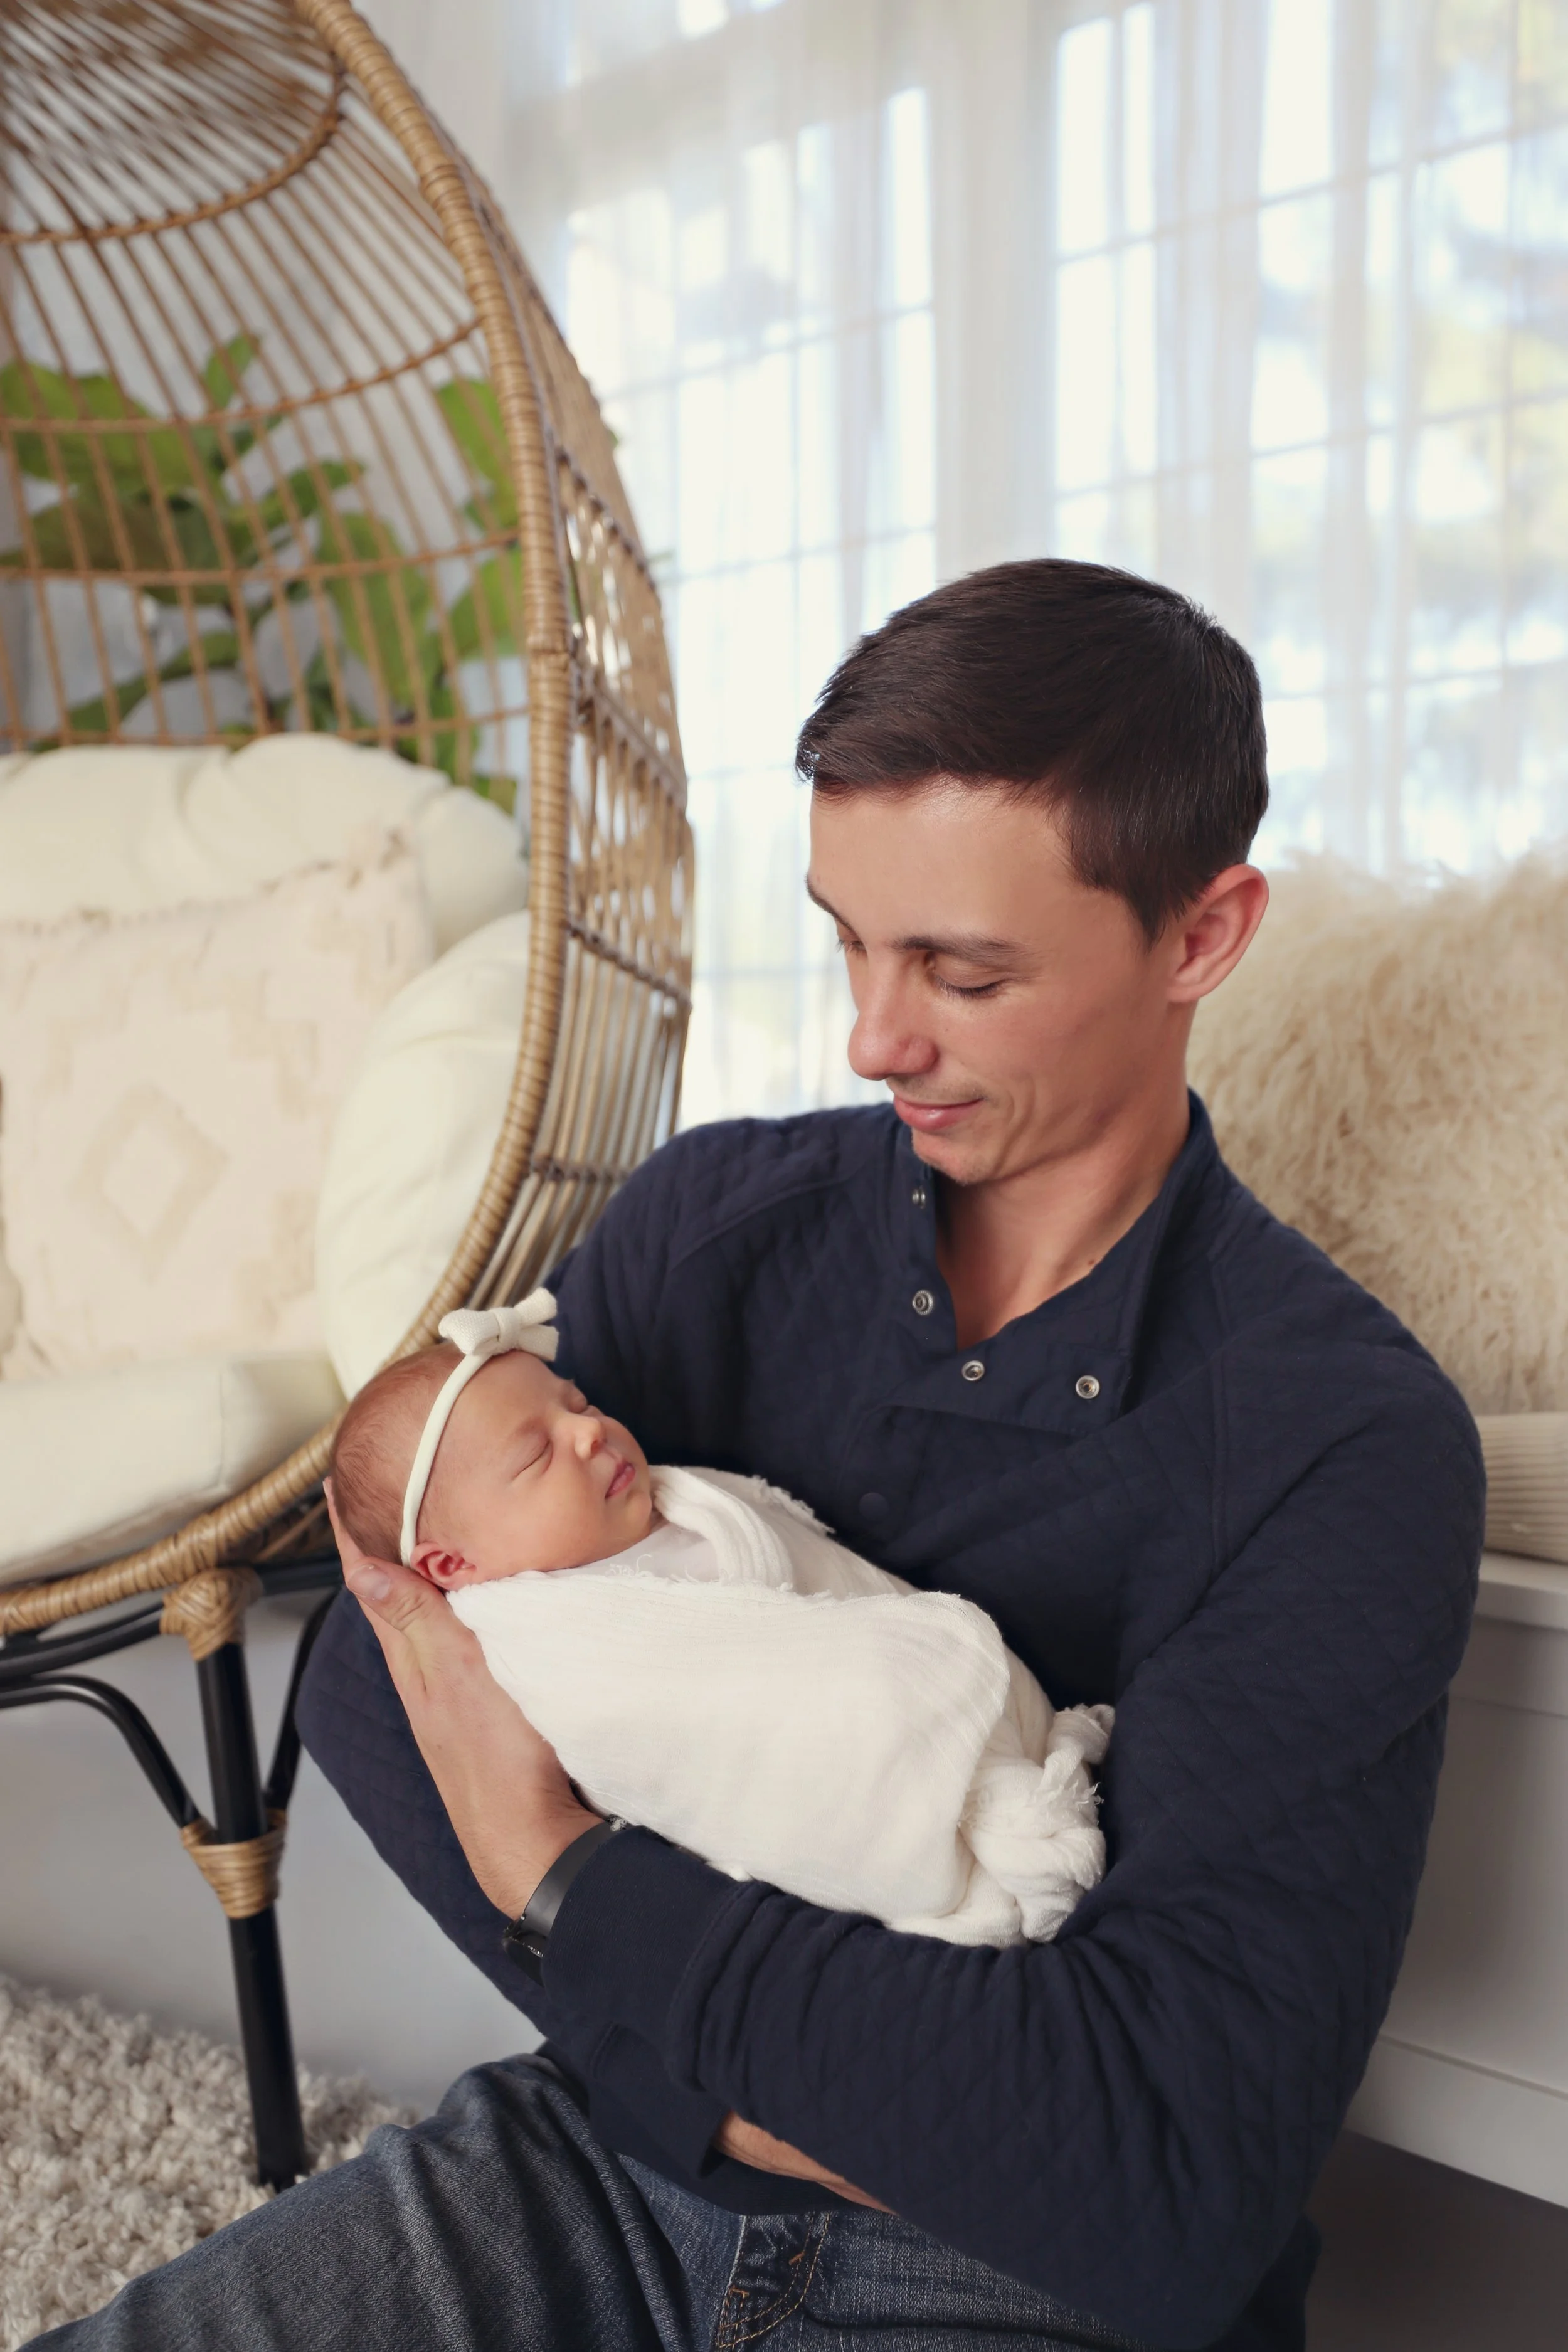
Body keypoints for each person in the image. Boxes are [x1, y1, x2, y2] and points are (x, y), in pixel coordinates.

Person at [33, 560, 1483, 2352]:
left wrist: (564, 1873)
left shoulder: (1339, 1441)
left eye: (961, 968)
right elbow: (376, 1665)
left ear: (1199, 937)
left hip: (1014, 2281)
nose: (874, 1035)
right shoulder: (713, 1222)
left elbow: (1159, 2186)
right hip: (604, 2162)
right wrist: (725, 2090)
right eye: (848, 938)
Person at [326, 1303, 1113, 1947]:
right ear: (453, 1566)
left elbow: (822, 1573)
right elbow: (693, 1743)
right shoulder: (549, 1647)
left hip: (978, 1710)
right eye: (536, 1457)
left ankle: (981, 1765)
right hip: (855, 1788)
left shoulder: (672, 1502)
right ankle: (957, 1822)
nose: (589, 1432)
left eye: (578, 1404)